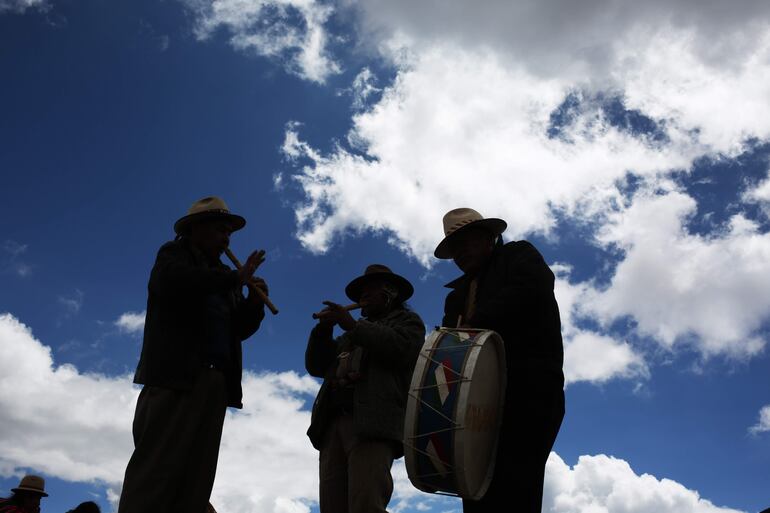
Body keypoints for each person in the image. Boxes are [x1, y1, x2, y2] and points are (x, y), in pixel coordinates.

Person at [118, 196, 270, 513]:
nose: (226, 238)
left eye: (229, 232)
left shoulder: (225, 274)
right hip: (175, 378)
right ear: (195, 230)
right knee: (155, 472)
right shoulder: (174, 255)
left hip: (215, 383)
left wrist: (255, 304)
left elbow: (237, 329)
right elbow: (171, 283)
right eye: (219, 229)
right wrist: (234, 279)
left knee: (197, 479)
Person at [434, 208, 565, 513]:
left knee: (517, 487)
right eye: (454, 247)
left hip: (529, 394)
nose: (460, 252)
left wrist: (475, 323)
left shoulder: (519, 256)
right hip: (472, 407)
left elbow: (533, 288)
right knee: (475, 490)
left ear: (490, 237)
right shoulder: (455, 297)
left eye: (467, 241)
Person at [306, 264, 426, 513]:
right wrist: (322, 332)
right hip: (333, 424)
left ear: (390, 293)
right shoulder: (350, 335)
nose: (363, 298)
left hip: (372, 425)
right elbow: (317, 367)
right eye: (361, 294)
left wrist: (352, 325)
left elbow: (401, 350)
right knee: (332, 505)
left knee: (365, 504)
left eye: (370, 291)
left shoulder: (408, 322)